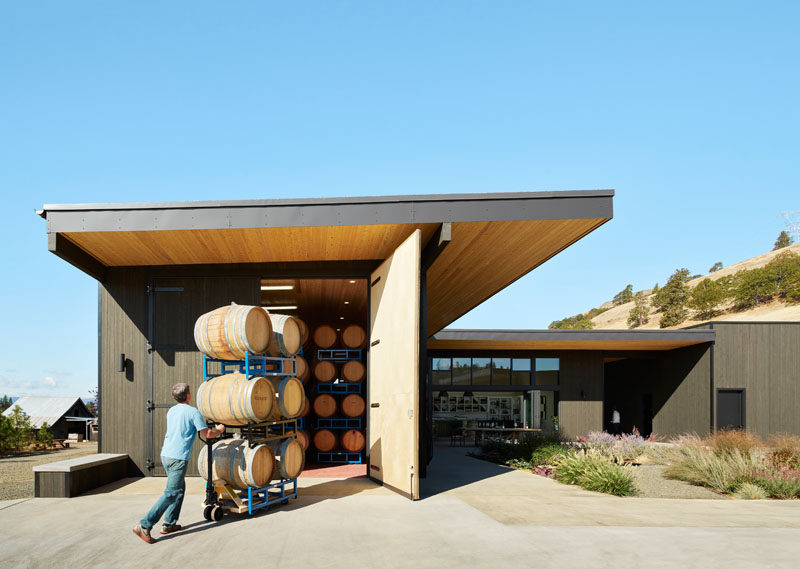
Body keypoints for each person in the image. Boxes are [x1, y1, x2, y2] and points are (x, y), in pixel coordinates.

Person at [133, 383, 225, 544]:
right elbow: (208, 434)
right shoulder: (193, 412)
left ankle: (169, 523)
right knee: (171, 493)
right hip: (178, 458)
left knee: (179, 489)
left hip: (166, 455)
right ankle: (144, 525)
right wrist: (220, 429)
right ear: (188, 395)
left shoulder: (172, 411)